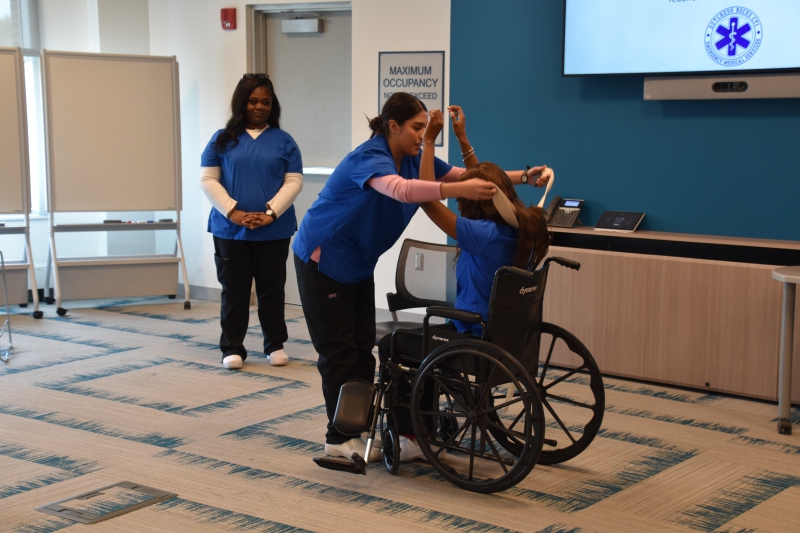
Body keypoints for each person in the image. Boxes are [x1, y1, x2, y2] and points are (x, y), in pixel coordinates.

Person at [292, 91, 549, 462]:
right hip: (324, 259)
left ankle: (361, 431)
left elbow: (468, 177)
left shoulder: (414, 159)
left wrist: (523, 176)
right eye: (416, 128)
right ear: (392, 126)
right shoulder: (369, 158)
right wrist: (455, 188)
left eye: (424, 129)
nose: (422, 135)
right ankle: (340, 439)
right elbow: (400, 190)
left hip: (358, 262)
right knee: (339, 352)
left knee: (362, 350)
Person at [378, 158, 552, 461]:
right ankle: (427, 420)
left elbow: (427, 201)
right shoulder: (521, 230)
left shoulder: (482, 233)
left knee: (392, 344)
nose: (457, 200)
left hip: (471, 334)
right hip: (507, 337)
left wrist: (429, 144)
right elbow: (485, 176)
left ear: (475, 199)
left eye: (462, 194)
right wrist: (461, 139)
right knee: (422, 343)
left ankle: (413, 437)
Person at [200, 74, 303, 370]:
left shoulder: (284, 141)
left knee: (273, 290)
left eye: (266, 102)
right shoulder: (221, 139)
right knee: (235, 291)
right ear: (241, 103)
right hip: (230, 231)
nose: (260, 107)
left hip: (274, 230)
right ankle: (232, 347)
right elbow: (208, 180)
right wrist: (233, 212)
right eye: (253, 101)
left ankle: (275, 345)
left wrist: (270, 214)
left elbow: (294, 181)